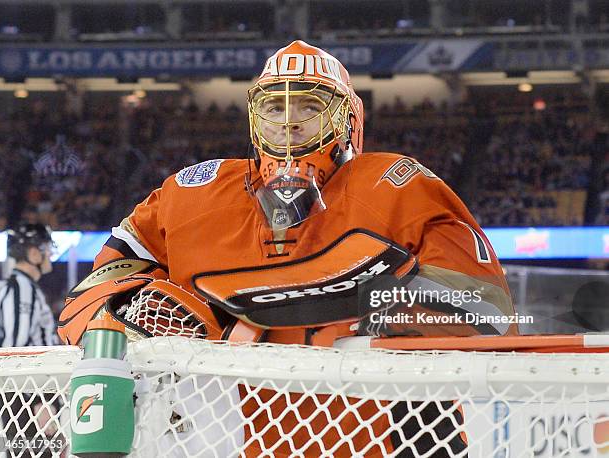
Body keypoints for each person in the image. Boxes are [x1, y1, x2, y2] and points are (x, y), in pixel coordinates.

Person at [58, 41, 516, 457]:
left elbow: (484, 306)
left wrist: (354, 316)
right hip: (231, 435)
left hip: (381, 434)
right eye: (275, 106)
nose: (289, 119)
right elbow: (101, 284)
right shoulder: (192, 194)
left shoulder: (397, 186)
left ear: (346, 118)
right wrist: (129, 319)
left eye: (310, 105)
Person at [0, 223, 60, 457]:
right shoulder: (21, 290)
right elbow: (16, 349)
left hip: (21, 392)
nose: (49, 253)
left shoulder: (15, 287)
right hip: (26, 393)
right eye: (45, 247)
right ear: (33, 252)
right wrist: (39, 400)